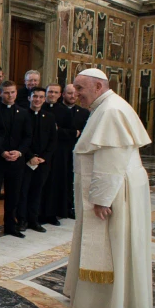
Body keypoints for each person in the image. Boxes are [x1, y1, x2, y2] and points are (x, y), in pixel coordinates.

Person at [63, 69, 152, 308]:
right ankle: (92, 301)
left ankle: (102, 306)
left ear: (99, 86)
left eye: (80, 88)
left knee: (110, 247)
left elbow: (111, 161)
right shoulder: (104, 107)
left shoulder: (111, 111)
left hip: (112, 193)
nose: (76, 94)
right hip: (113, 188)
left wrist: (101, 199)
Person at [17, 87, 57, 233]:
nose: (38, 100)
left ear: (44, 99)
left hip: (42, 162)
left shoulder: (50, 117)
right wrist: (30, 156)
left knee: (37, 191)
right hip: (25, 161)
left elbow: (53, 141)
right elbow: (20, 139)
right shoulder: (22, 115)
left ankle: (34, 220)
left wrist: (42, 158)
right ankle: (22, 220)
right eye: (35, 96)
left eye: (41, 97)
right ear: (29, 98)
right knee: (23, 191)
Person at [0, 81, 32, 239]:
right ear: (0, 94)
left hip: (17, 160)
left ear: (16, 93)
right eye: (7, 92)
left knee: (14, 194)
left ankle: (11, 225)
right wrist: (2, 152)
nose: (10, 95)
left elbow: (27, 136)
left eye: (13, 92)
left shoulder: (23, 113)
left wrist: (19, 152)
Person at [41, 83, 72, 226]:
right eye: (50, 92)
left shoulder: (65, 112)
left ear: (60, 95)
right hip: (41, 151)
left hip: (59, 153)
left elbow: (72, 132)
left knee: (54, 183)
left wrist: (57, 130)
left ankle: (52, 213)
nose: (52, 95)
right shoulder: (40, 107)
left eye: (55, 92)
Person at [62, 83, 90, 217]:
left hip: (77, 150)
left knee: (74, 179)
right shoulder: (57, 109)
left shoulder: (84, 112)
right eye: (69, 93)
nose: (72, 96)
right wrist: (73, 132)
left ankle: (71, 206)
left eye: (74, 93)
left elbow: (86, 132)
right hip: (60, 151)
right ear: (63, 94)